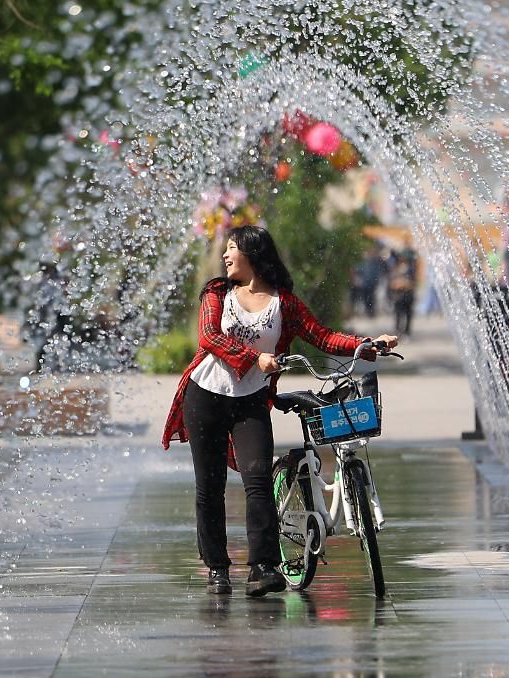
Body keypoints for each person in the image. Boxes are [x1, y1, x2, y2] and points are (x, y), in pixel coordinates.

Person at [162, 226, 398, 598]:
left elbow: (321, 336)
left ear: (253, 254)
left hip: (251, 398)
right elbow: (210, 337)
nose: (226, 256)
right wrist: (256, 357)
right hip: (204, 395)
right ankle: (218, 569)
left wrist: (367, 344)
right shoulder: (217, 293)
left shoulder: (283, 303)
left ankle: (263, 566)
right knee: (210, 487)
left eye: (232, 249)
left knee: (257, 478)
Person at [389, 252, 417, 336]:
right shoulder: (395, 270)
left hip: (408, 296)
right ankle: (398, 330)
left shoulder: (411, 270)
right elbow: (391, 283)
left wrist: (404, 284)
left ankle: (407, 331)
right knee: (398, 313)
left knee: (408, 314)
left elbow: (413, 283)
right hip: (398, 296)